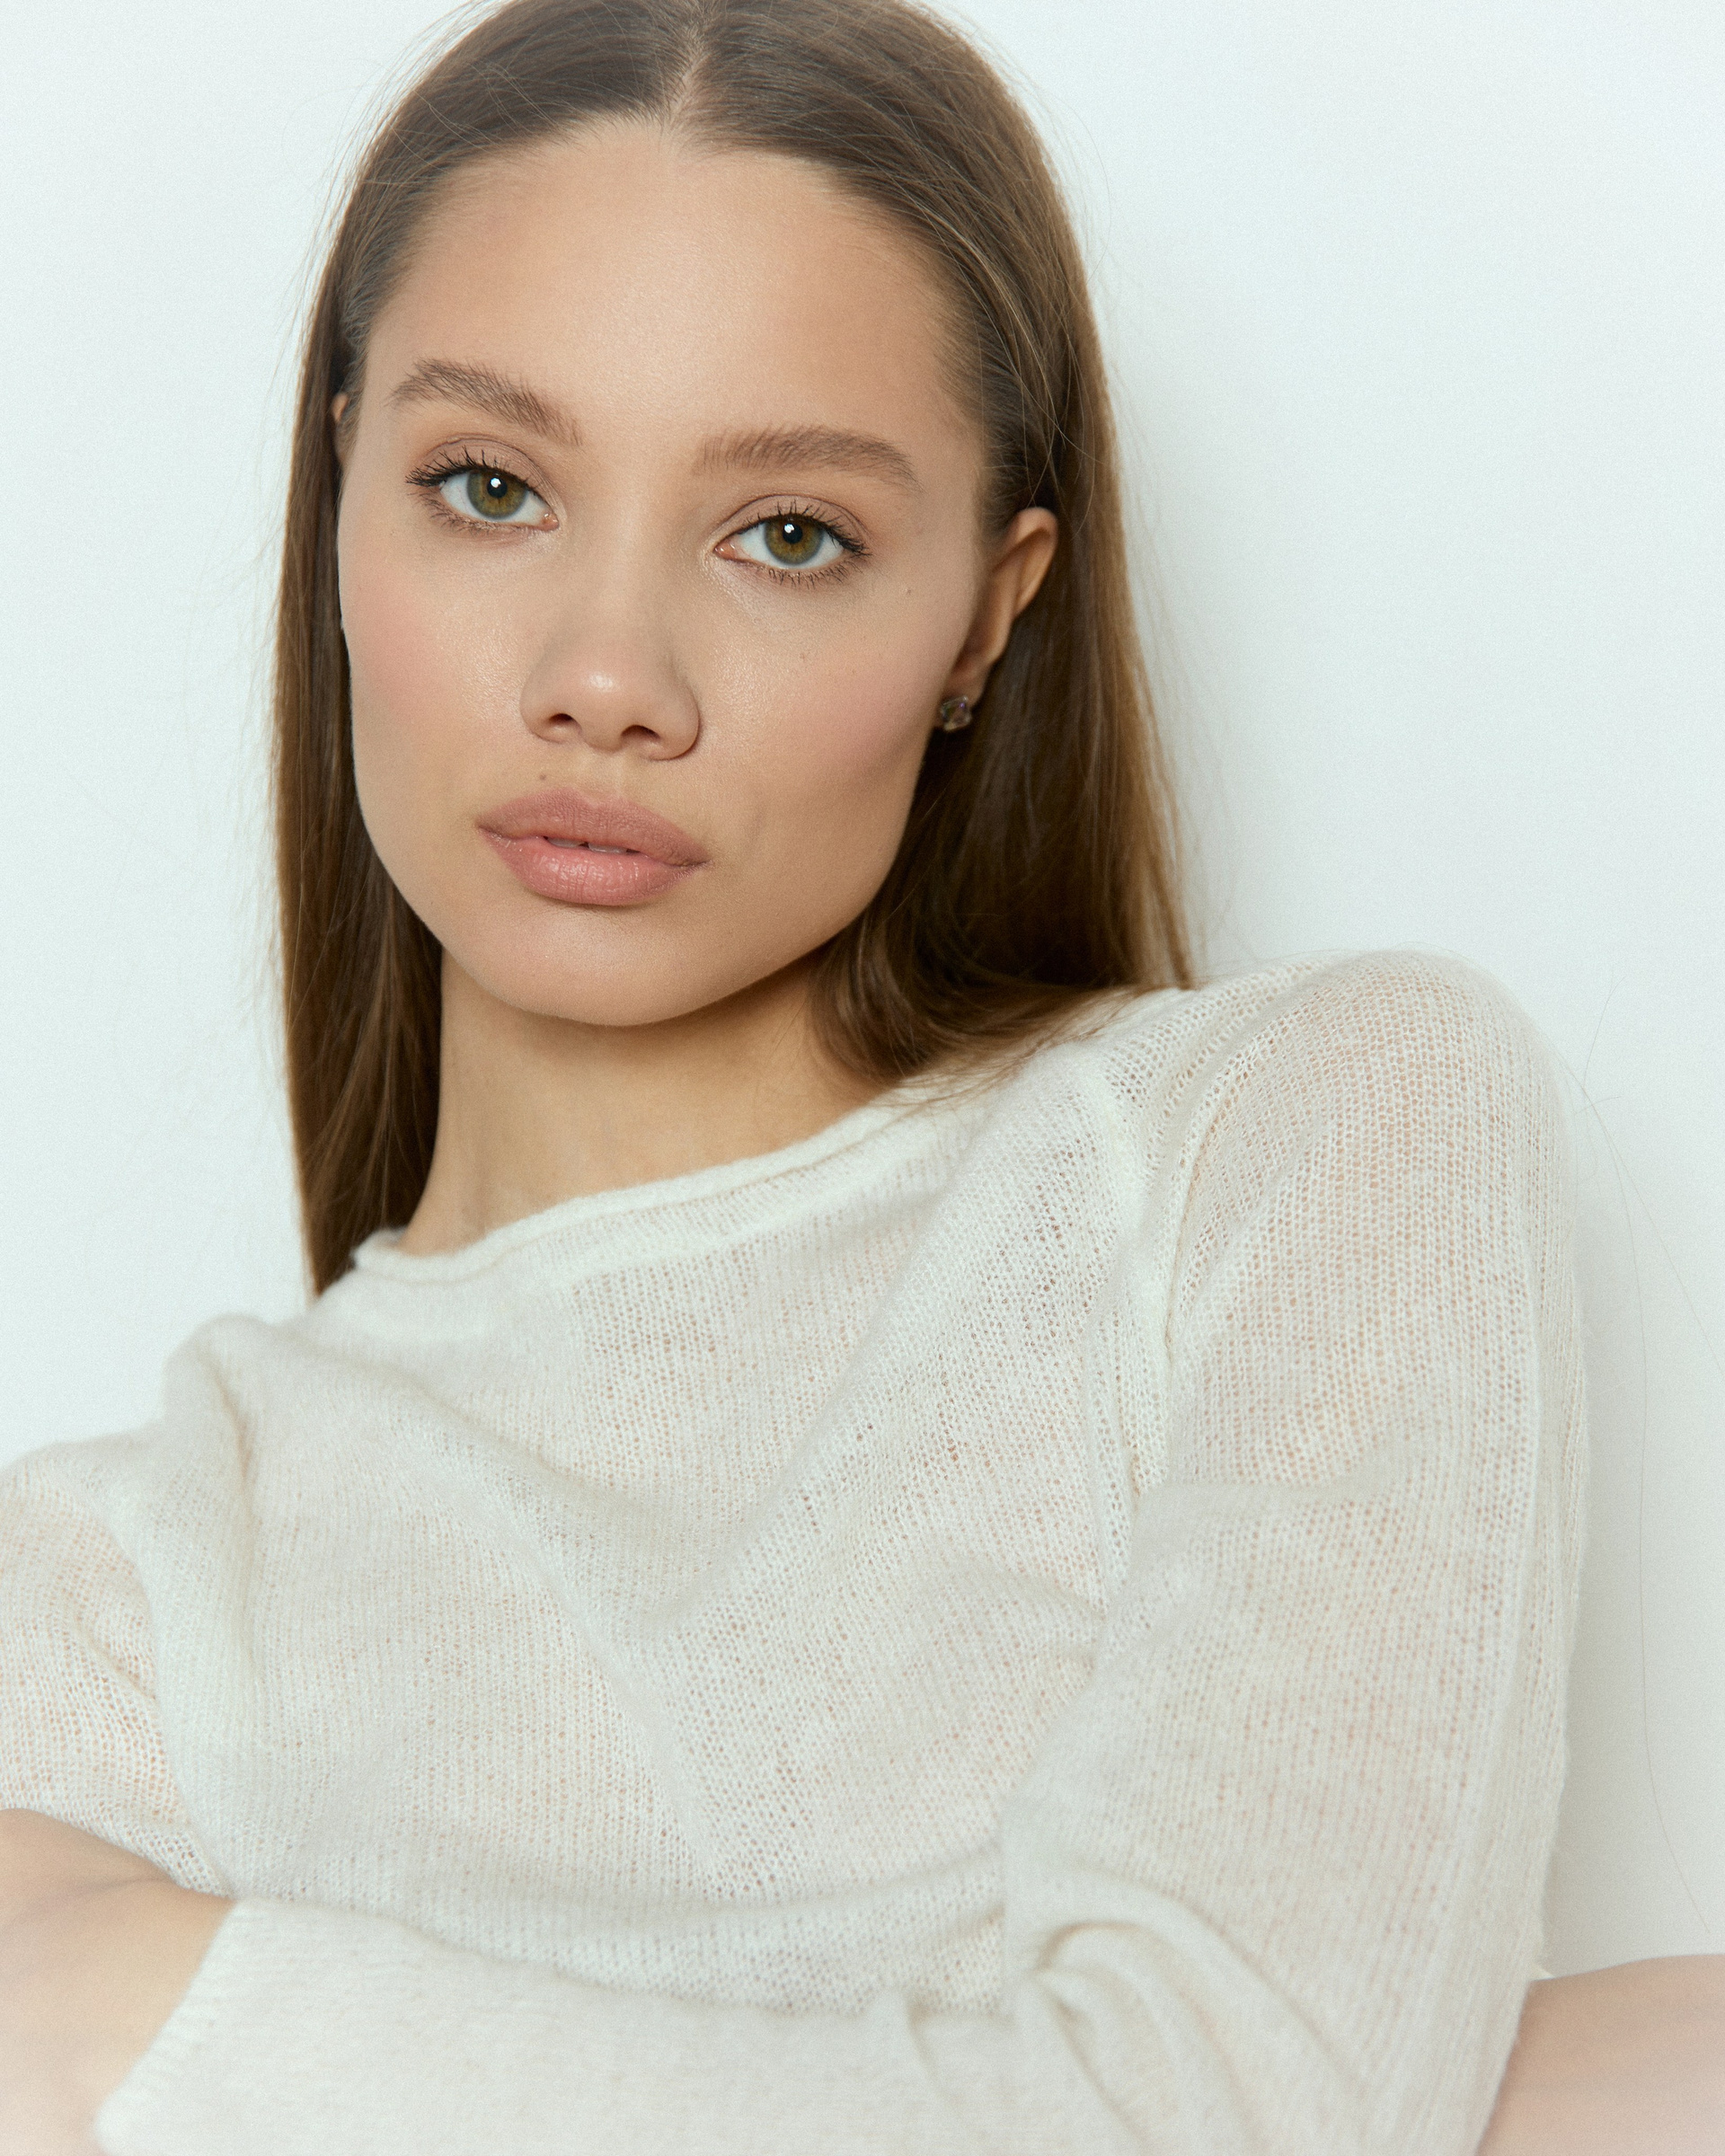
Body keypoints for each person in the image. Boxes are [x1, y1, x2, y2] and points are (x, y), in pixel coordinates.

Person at [0, 1, 1714, 2149]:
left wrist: (140, 2018)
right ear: (340, 498)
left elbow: (1228, 2124)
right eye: (489, 487)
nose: (607, 678)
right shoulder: (103, 1603)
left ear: (989, 616)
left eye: (788, 533)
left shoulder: (1293, 1148)